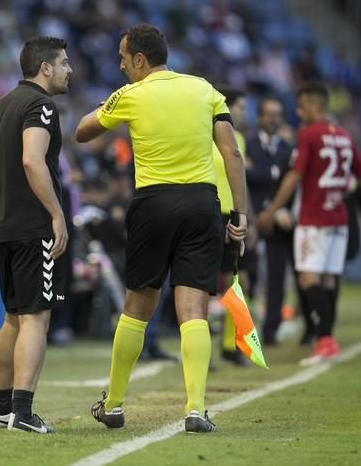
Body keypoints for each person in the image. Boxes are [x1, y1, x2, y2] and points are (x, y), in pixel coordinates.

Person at [75, 24, 247, 433]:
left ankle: (114, 404)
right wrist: (239, 214)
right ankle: (196, 409)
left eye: (122, 58)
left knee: (137, 306)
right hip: (203, 205)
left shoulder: (131, 95)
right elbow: (232, 152)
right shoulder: (205, 89)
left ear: (140, 60)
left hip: (154, 203)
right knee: (193, 310)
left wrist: (113, 109)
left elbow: (83, 131)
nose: (119, 65)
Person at [0, 36, 72, 434]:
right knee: (35, 319)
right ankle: (23, 413)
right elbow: (32, 159)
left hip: (0, 227)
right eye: (63, 63)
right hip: (33, 227)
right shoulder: (40, 106)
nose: (69, 70)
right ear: (45, 68)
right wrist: (57, 214)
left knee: (13, 318)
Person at [258, 82, 361, 366]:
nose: (298, 110)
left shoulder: (309, 134)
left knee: (307, 278)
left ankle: (325, 339)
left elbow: (294, 177)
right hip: (338, 218)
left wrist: (271, 210)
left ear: (315, 105)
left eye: (302, 105)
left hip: (313, 218)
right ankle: (327, 339)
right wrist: (342, 188)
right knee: (328, 280)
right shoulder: (343, 135)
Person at [245, 97, 294, 345]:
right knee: (245, 276)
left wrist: (257, 172)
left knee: (276, 277)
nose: (274, 119)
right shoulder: (248, 145)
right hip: (251, 217)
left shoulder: (287, 148)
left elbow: (290, 183)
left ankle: (271, 332)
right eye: (269, 114)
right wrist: (274, 173)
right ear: (260, 117)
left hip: (278, 219)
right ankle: (241, 331)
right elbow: (244, 175)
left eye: (278, 114)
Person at [213, 86, 252, 366]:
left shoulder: (238, 137)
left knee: (237, 281)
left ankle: (231, 345)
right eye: (240, 106)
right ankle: (199, 348)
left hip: (233, 214)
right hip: (207, 211)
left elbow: (239, 181)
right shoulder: (204, 134)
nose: (243, 112)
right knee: (200, 285)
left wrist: (244, 213)